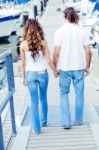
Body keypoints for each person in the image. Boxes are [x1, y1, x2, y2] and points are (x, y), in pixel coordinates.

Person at [53, 7, 92, 129]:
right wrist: (87, 66)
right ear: (75, 17)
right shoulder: (83, 31)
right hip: (79, 67)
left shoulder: (59, 31)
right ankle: (79, 120)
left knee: (64, 94)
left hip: (64, 68)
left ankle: (66, 122)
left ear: (65, 17)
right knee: (79, 94)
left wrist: (54, 68)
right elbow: (88, 52)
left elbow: (56, 53)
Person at [20, 19, 58, 134]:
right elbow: (48, 60)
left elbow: (23, 64)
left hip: (30, 75)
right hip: (42, 73)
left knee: (34, 101)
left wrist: (23, 78)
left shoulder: (22, 44)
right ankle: (44, 122)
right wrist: (55, 71)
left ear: (26, 29)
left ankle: (37, 129)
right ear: (38, 28)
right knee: (43, 98)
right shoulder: (43, 42)